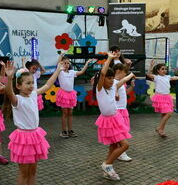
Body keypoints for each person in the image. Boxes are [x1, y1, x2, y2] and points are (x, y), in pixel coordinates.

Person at [3, 61, 63, 185]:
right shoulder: (17, 100)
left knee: (33, 171)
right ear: (19, 86)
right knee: (24, 172)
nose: (31, 86)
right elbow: (9, 93)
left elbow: (48, 85)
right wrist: (9, 78)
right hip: (23, 138)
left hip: (35, 136)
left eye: (32, 83)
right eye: (27, 83)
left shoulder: (33, 94)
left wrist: (57, 71)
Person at [93, 52, 134, 181]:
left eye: (112, 78)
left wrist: (130, 74)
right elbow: (103, 73)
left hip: (115, 118)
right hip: (107, 120)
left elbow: (123, 79)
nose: (111, 80)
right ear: (103, 79)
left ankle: (107, 168)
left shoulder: (113, 87)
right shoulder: (100, 89)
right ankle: (107, 164)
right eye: (109, 78)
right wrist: (110, 58)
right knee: (124, 145)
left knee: (113, 146)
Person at [56, 54, 92, 138]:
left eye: (68, 63)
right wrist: (61, 56)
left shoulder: (72, 72)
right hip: (63, 94)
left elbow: (81, 72)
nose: (66, 65)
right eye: (64, 63)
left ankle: (70, 130)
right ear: (61, 64)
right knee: (64, 113)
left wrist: (87, 63)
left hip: (71, 94)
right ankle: (64, 131)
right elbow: (58, 64)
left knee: (70, 113)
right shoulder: (60, 72)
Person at [147, 59, 178, 137]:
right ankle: (159, 128)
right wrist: (151, 66)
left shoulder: (168, 77)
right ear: (158, 71)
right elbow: (149, 74)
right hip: (160, 97)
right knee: (169, 113)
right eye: (162, 69)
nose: (164, 70)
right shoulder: (156, 77)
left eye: (165, 69)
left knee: (164, 114)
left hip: (167, 97)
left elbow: (174, 78)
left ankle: (161, 130)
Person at [113, 63, 135, 162]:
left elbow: (125, 93)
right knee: (120, 132)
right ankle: (121, 152)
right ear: (118, 71)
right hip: (117, 110)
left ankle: (118, 151)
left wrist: (132, 87)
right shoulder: (113, 82)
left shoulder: (120, 82)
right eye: (124, 73)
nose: (125, 75)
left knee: (123, 131)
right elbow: (115, 90)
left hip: (123, 109)